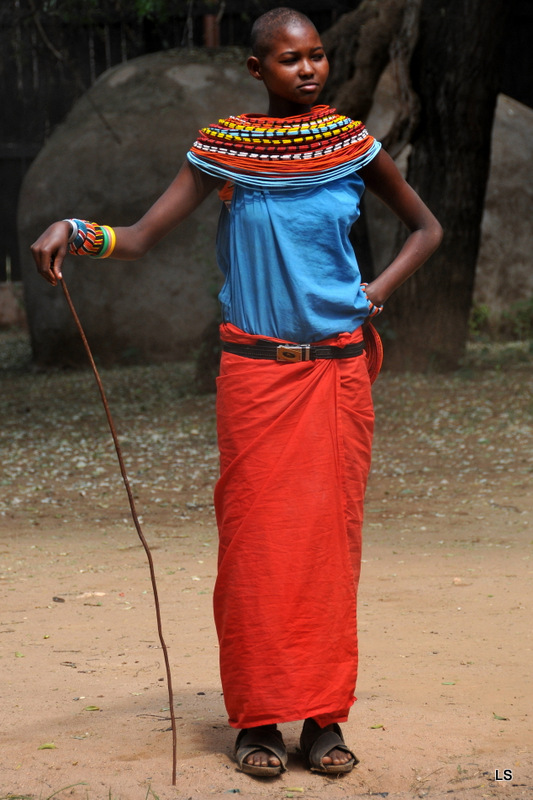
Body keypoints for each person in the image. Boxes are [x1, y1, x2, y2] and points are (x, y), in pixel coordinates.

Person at [31, 6, 442, 779]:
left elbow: (426, 229)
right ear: (255, 70)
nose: (309, 69)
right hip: (255, 376)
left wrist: (373, 292)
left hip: (337, 371)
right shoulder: (225, 149)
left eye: (316, 56)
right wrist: (77, 230)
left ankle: (322, 719)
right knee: (255, 548)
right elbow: (145, 234)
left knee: (327, 549)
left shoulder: (350, 145)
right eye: (289, 60)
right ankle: (256, 718)